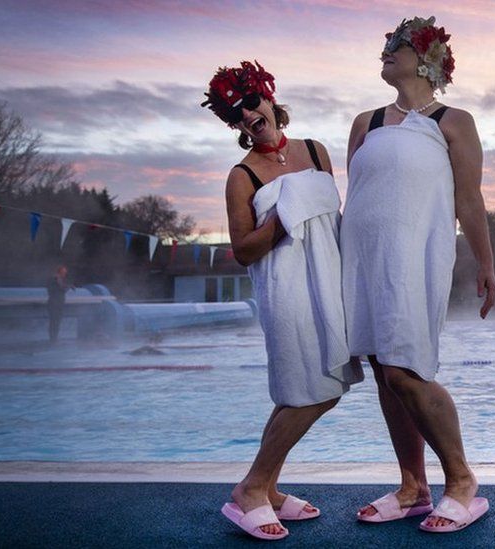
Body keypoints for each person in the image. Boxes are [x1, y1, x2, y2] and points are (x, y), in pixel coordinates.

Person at [342, 16, 495, 533]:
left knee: (407, 369)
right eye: (385, 45)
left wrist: (486, 263)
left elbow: (469, 201)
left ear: (427, 59)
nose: (385, 52)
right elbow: (357, 197)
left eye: (397, 45)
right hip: (363, 260)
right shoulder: (367, 122)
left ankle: (462, 483)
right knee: (385, 370)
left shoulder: (453, 121)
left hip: (415, 259)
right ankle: (413, 487)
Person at [202, 60, 363, 541]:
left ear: (269, 99)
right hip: (286, 292)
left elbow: (333, 222)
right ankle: (250, 488)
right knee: (317, 390)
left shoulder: (316, 151)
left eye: (251, 103)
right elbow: (242, 250)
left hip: (329, 283)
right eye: (236, 114)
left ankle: (267, 490)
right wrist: (283, 218)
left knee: (307, 391)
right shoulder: (241, 175)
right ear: (233, 126)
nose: (248, 115)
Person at [46, 265, 73, 343]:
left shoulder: (54, 278)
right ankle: (53, 339)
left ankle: (53, 339)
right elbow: (61, 289)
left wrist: (67, 286)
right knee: (55, 322)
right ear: (60, 272)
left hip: (54, 303)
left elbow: (59, 287)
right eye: (64, 273)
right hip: (56, 303)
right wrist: (69, 287)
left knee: (54, 322)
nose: (65, 274)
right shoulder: (56, 278)